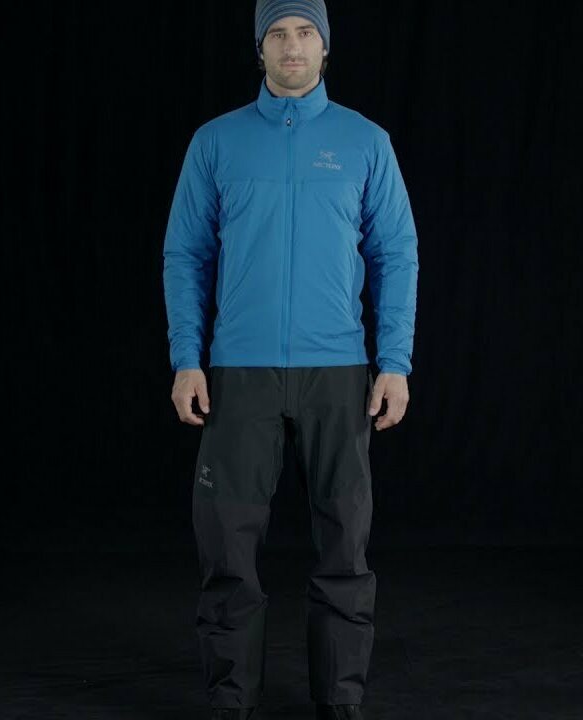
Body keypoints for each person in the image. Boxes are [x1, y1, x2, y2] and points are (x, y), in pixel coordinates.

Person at [162, 1, 418, 718]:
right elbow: (185, 254)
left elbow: (396, 254)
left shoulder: (365, 142)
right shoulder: (216, 143)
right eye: (278, 33)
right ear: (260, 48)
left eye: (306, 32)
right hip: (238, 372)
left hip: (339, 371)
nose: (292, 46)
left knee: (345, 547)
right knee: (227, 549)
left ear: (325, 46)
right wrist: (187, 358)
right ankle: (230, 704)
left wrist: (394, 362)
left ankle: (341, 703)